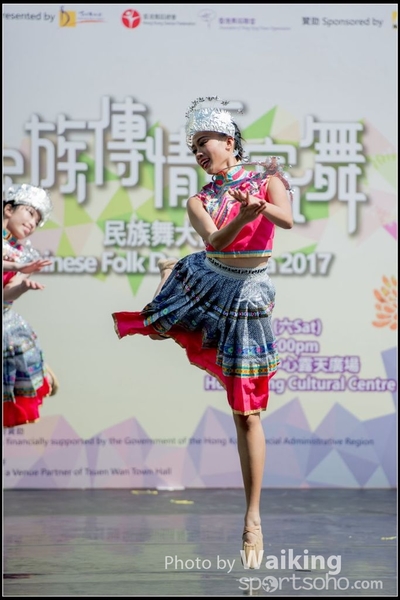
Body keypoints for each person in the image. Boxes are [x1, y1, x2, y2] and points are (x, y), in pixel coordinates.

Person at [112, 96, 293, 568]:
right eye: (193, 147)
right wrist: (243, 216)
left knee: (247, 412)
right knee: (155, 326)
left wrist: (259, 207)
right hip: (212, 277)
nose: (197, 151)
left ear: (229, 142)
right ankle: (172, 275)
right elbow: (214, 239)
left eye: (204, 142)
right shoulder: (199, 200)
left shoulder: (269, 177)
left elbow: (288, 220)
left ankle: (252, 519)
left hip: (250, 294)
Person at [3, 183, 59, 428]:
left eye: (37, 220)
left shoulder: (24, 256)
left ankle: (36, 375)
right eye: (29, 212)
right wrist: (17, 268)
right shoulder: (17, 260)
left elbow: (5, 296)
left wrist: (23, 286)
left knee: (15, 342)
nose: (32, 223)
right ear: (8, 209)